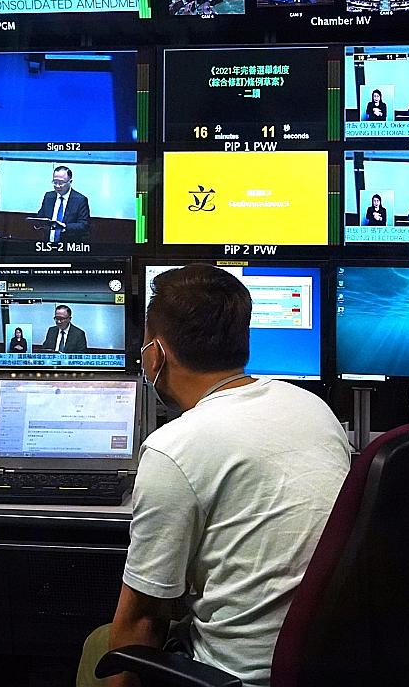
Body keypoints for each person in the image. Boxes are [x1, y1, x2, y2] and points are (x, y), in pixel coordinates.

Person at [82, 264, 350, 687]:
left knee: (102, 647)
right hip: (326, 663)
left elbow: (144, 619)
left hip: (232, 678)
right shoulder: (314, 409)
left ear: (155, 354)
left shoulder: (175, 448)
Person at [33, 165, 91, 243]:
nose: (57, 186)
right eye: (55, 182)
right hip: (48, 245)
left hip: (69, 245)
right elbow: (41, 216)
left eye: (61, 183)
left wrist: (65, 226)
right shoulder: (48, 196)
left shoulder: (80, 200)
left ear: (70, 182)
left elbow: (84, 225)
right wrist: (37, 222)